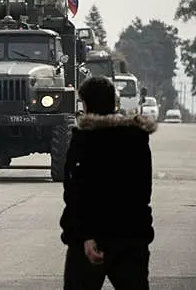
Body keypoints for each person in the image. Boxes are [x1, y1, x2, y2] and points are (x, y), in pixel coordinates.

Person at [60, 75, 156, 289]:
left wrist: (86, 235)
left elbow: (78, 193)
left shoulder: (85, 140)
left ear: (86, 104)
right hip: (132, 236)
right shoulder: (137, 139)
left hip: (90, 242)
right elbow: (142, 191)